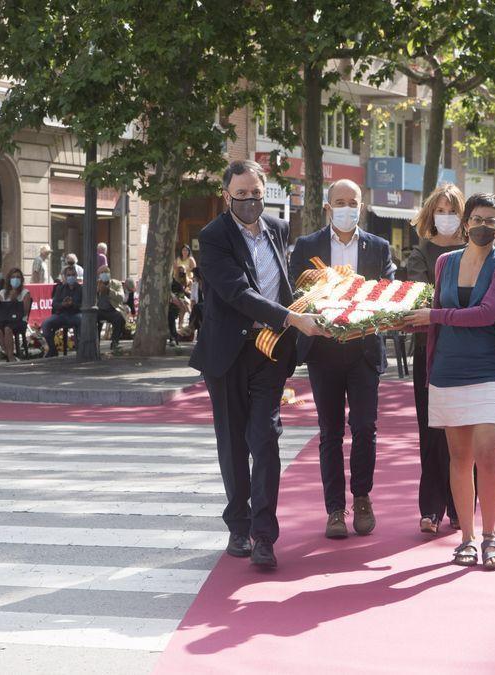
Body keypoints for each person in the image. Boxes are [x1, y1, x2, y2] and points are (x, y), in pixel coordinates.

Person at [189, 159, 328, 569]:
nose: (250, 202)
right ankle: (239, 525)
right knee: (233, 443)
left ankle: (264, 535)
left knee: (265, 440)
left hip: (271, 353)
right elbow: (237, 292)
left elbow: (282, 283)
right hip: (227, 355)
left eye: (256, 194)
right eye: (241, 195)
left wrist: (316, 301)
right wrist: (290, 318)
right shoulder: (212, 237)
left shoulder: (279, 229)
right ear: (226, 194)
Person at [403, 192, 495, 570]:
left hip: (489, 370)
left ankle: (490, 535)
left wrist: (434, 316)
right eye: (478, 219)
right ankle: (467, 538)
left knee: (487, 453)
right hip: (448, 370)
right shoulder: (444, 263)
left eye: (491, 220)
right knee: (459, 456)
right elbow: (438, 308)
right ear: (466, 223)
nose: (483, 226)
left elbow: (487, 314)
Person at [289, 179, 393, 539]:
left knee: (365, 427)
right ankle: (335, 508)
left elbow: (389, 293)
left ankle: (362, 496)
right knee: (330, 433)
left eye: (353, 202)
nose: (347, 207)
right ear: (328, 207)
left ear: (361, 206)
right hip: (323, 350)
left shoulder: (379, 248)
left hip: (364, 350)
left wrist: (367, 299)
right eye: (340, 201)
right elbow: (296, 292)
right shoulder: (307, 246)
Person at [404, 183, 467, 534]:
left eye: (452, 210)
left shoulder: (478, 250)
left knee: (464, 434)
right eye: (440, 211)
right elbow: (421, 300)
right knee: (430, 433)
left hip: (470, 355)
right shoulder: (420, 254)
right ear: (431, 215)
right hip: (430, 354)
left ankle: (461, 507)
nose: (446, 217)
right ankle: (430, 508)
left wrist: (442, 311)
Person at [42, 265, 81, 357]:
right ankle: (52, 350)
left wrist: (73, 304)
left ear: (76, 276)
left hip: (75, 314)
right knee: (46, 324)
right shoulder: (60, 288)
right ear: (65, 276)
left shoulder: (81, 289)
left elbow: (83, 306)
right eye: (68, 275)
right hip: (62, 314)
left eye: (72, 275)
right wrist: (63, 305)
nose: (70, 277)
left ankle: (80, 349)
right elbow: (54, 304)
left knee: (82, 321)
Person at [0, 268, 31, 362]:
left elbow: (25, 311)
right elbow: (0, 310)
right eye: (13, 277)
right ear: (9, 279)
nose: (15, 279)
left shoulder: (25, 293)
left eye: (18, 277)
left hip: (19, 320)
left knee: (7, 329)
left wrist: (15, 301)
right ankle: (10, 354)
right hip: (5, 319)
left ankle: (10, 357)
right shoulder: (3, 292)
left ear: (21, 279)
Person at [96, 265, 127, 349]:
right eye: (101, 273)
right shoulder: (96, 284)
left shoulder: (116, 283)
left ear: (109, 273)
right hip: (99, 310)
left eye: (105, 272)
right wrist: (97, 291)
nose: (104, 274)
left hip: (112, 310)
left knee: (119, 319)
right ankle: (95, 343)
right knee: (92, 318)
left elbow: (121, 297)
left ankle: (114, 342)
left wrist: (109, 291)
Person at [168, 265, 190, 344]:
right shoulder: (162, 285)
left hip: (174, 306)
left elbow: (181, 298)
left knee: (171, 314)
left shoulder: (177, 285)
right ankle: (173, 336)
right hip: (162, 306)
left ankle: (173, 337)